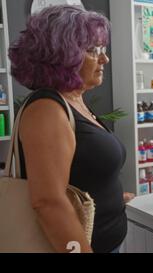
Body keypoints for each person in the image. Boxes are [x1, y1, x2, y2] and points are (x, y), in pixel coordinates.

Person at [8, 5, 134, 253]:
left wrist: (112, 198)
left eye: (103, 49)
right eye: (92, 50)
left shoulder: (74, 101)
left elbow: (82, 171)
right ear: (62, 56)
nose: (104, 58)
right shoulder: (47, 109)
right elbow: (49, 202)